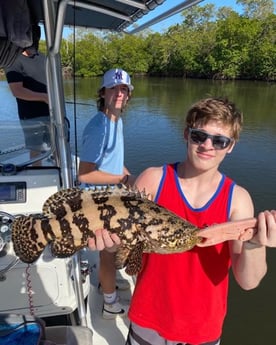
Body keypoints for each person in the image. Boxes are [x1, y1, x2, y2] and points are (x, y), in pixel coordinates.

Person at [88, 97, 274, 344]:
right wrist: (110, 246)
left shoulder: (238, 200)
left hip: (203, 329)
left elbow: (248, 282)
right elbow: (125, 249)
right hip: (148, 318)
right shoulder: (153, 180)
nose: (208, 145)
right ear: (186, 134)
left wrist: (254, 244)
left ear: (231, 146)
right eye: (199, 136)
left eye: (219, 141)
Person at [78, 68, 136, 319]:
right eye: (113, 88)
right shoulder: (99, 127)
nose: (119, 93)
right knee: (109, 250)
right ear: (102, 92)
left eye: (123, 89)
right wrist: (122, 179)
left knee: (113, 248)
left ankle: (107, 283)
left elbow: (112, 161)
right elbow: (85, 175)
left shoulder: (116, 120)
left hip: (112, 194)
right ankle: (110, 304)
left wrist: (127, 175)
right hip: (98, 201)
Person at [4, 24, 50, 161]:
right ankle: (38, 178)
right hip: (31, 117)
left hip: (52, 113)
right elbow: (17, 91)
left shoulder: (43, 57)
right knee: (36, 150)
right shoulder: (12, 61)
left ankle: (58, 171)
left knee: (57, 145)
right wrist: (44, 97)